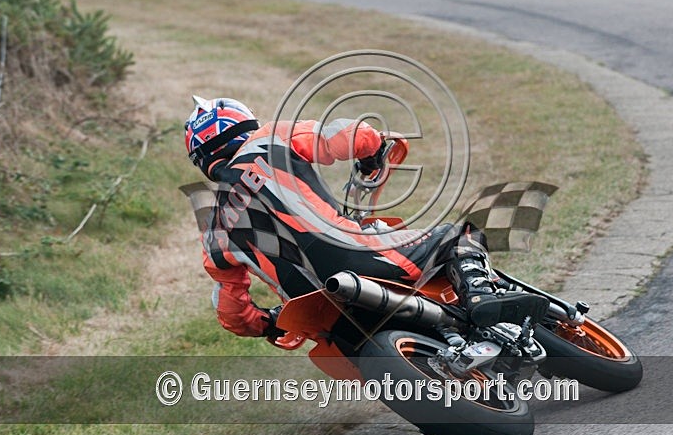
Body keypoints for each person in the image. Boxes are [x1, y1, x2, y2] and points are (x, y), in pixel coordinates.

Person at [184, 96, 546, 340]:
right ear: (243, 124)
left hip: (315, 310)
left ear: (202, 159)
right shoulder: (268, 140)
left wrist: (266, 326)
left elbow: (230, 309)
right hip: (359, 257)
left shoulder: (214, 227)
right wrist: (372, 153)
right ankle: (481, 296)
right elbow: (347, 135)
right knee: (458, 234)